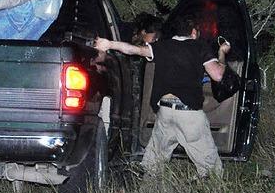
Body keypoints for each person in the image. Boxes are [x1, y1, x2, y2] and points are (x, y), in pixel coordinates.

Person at [95, 15, 230, 178]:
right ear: (193, 32)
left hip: (165, 112)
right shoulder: (199, 46)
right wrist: (222, 54)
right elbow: (218, 75)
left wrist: (109, 44)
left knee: (153, 166)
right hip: (188, 114)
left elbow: (134, 50)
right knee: (211, 168)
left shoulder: (162, 46)